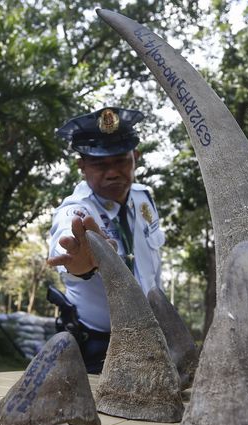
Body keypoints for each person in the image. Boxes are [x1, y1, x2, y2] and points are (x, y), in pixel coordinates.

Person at [47, 106, 165, 373]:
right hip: (97, 350)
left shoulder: (143, 198)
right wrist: (82, 263)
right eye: (100, 164)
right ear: (82, 167)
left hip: (151, 340)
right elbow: (68, 244)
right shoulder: (77, 209)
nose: (112, 173)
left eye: (121, 161)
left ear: (135, 157)